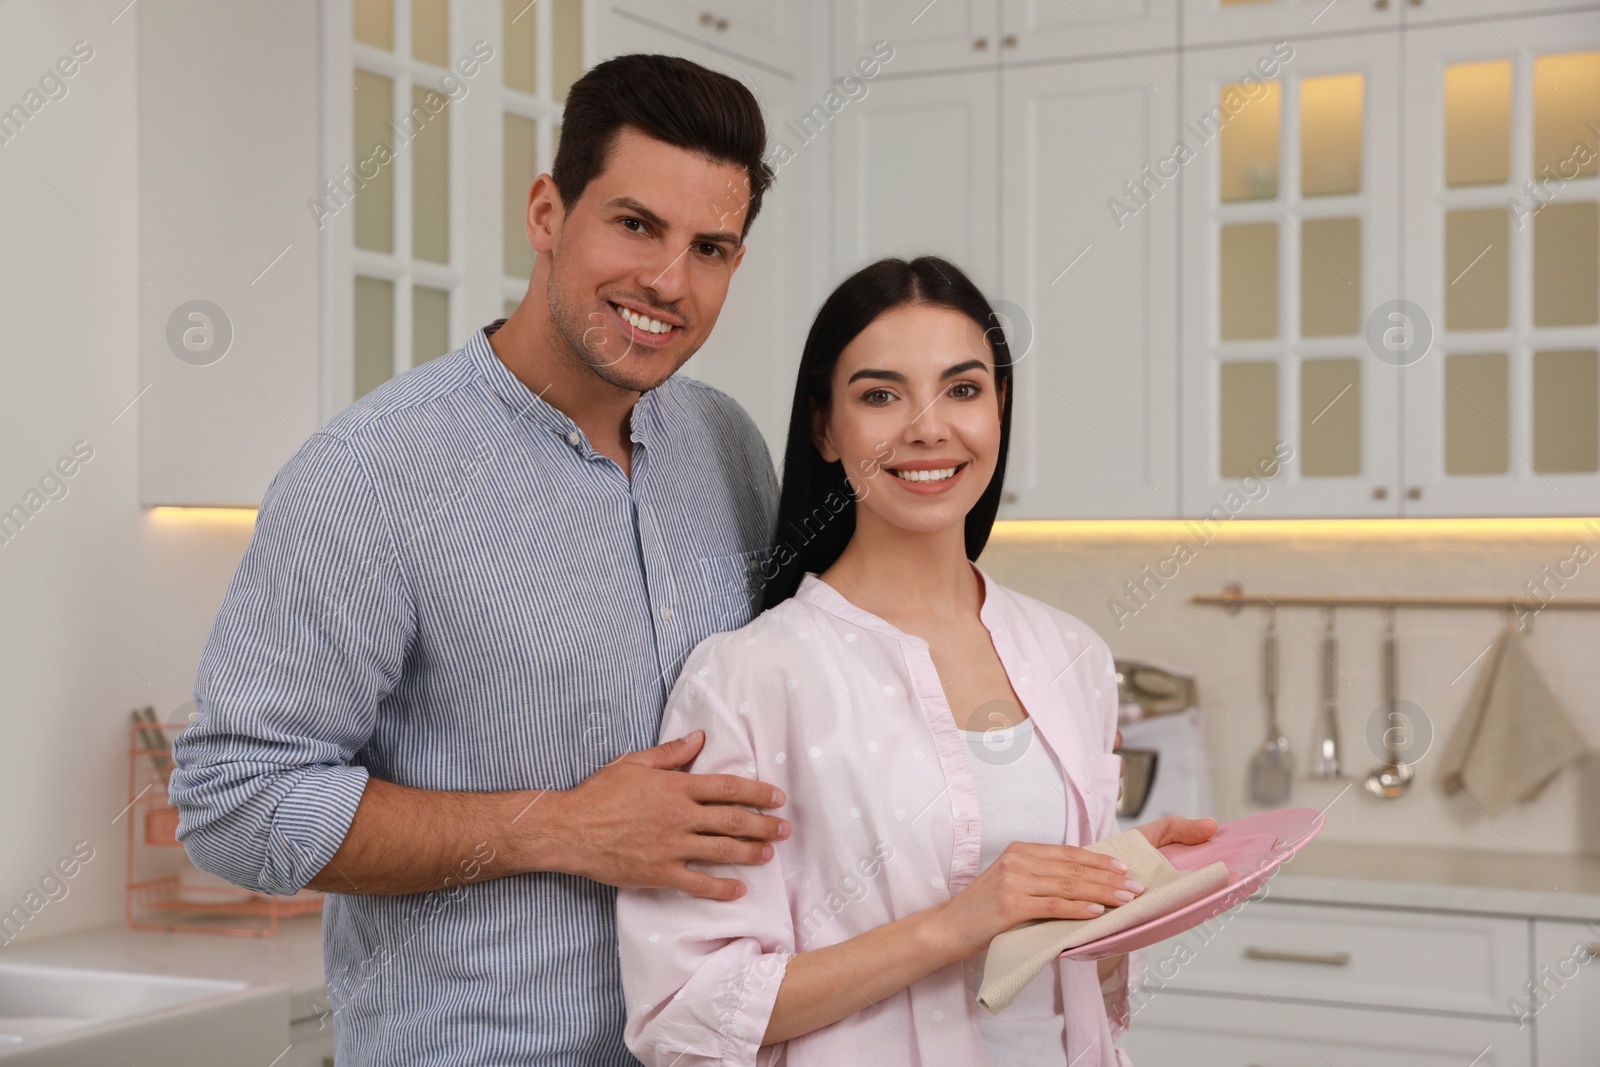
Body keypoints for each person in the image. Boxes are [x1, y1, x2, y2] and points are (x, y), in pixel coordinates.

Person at [168, 54, 796, 1066]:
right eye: (635, 224)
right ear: (548, 212)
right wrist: (562, 825)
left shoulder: (726, 446)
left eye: (710, 247)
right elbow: (235, 802)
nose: (668, 281)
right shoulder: (371, 474)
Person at [615, 256, 1218, 1066]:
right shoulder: (749, 680)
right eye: (880, 394)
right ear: (825, 428)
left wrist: (1132, 891)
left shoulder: (1071, 654)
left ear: (1001, 409)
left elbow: (1066, 973)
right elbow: (687, 1015)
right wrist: (953, 924)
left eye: (963, 389)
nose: (929, 427)